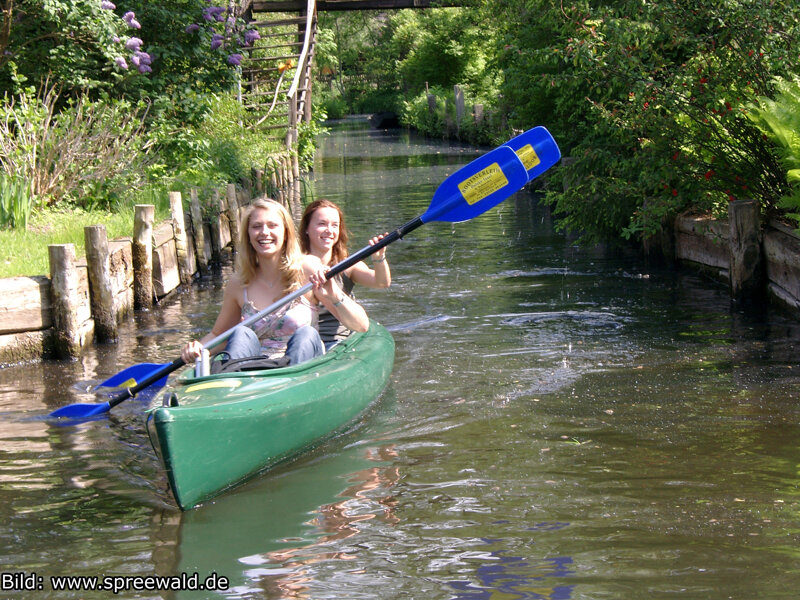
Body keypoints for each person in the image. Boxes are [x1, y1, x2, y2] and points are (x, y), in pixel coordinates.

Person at [181, 198, 327, 369]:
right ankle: (231, 385)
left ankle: (289, 385)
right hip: (257, 368)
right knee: (241, 333)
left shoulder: (308, 268)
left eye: (272, 226)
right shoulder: (239, 283)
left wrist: (333, 293)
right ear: (248, 235)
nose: (264, 232)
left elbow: (359, 325)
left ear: (286, 232)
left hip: (301, 364)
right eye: (257, 226)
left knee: (306, 334)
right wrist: (198, 348)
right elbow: (219, 335)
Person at [299, 199, 391, 349]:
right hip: (302, 341)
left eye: (334, 225)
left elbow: (382, 282)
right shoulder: (293, 265)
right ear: (307, 229)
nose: (329, 230)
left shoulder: (348, 266)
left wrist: (379, 257)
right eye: (322, 224)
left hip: (337, 342)